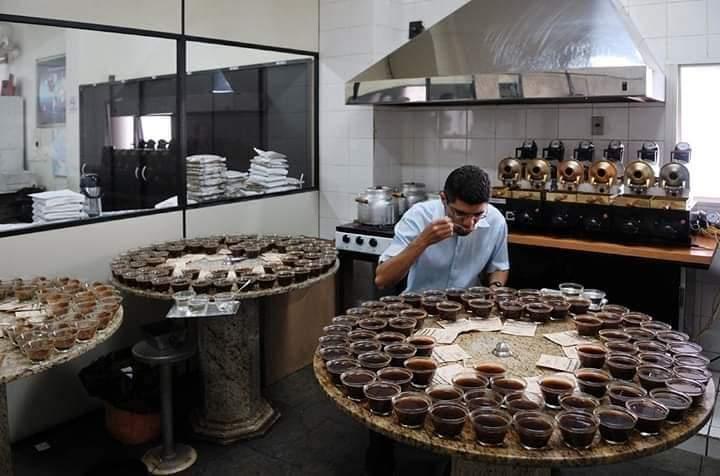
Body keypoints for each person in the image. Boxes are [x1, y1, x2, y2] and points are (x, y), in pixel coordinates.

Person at [375, 165, 509, 292]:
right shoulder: (419, 216)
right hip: (420, 305)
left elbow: (499, 267)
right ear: (443, 199)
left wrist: (495, 287)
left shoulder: (496, 220)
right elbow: (382, 280)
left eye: (478, 215)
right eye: (460, 213)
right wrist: (423, 241)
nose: (469, 224)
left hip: (468, 308)